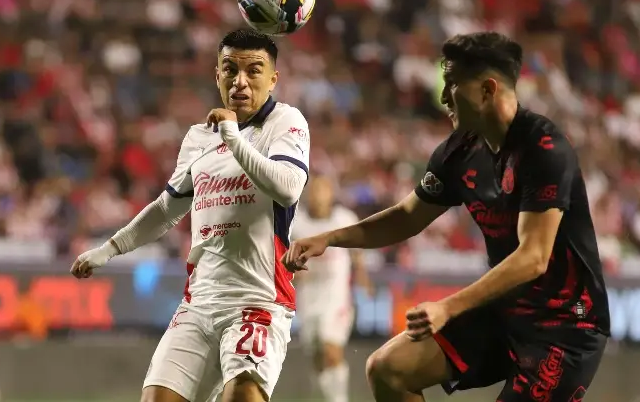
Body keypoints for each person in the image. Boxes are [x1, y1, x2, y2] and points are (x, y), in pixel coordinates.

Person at [283, 32, 610, 402]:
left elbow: (534, 257)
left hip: (565, 327)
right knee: (389, 369)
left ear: (488, 89)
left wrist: (448, 306)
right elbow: (407, 217)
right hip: (505, 314)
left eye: (452, 84)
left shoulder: (543, 148)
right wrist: (330, 237)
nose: (442, 97)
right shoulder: (459, 151)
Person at [70, 28, 310, 402]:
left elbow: (287, 187)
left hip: (257, 302)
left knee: (243, 397)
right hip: (199, 302)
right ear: (217, 75)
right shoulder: (200, 137)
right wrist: (109, 249)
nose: (240, 81)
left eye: (254, 70)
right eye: (230, 69)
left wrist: (233, 136)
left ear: (273, 78)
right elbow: (167, 209)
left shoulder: (286, 122)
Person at [290, 175, 373, 402]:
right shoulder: (298, 224)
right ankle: (325, 397)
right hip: (309, 296)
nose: (318, 195)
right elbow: (289, 261)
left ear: (331, 194)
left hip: (336, 295)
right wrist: (294, 275)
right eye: (315, 191)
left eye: (323, 190)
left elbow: (357, 251)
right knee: (317, 355)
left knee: (330, 348)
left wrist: (363, 279)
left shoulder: (343, 219)